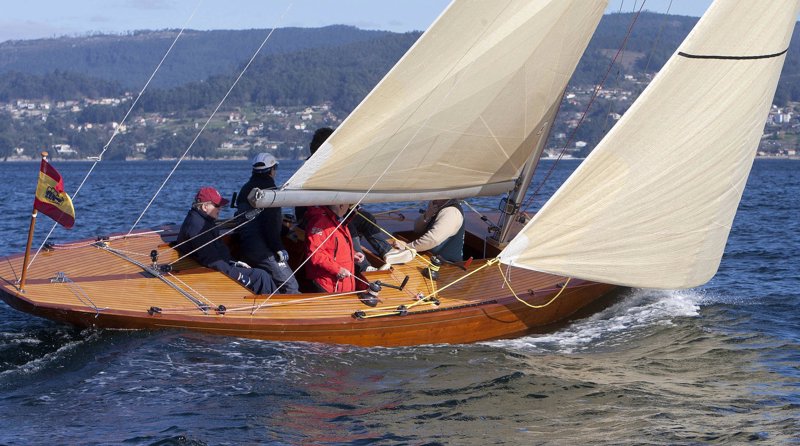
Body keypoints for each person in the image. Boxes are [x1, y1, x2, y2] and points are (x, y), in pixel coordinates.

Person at [296, 127, 392, 268]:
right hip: (312, 218)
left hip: (333, 213)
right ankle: (364, 267)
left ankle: (387, 251)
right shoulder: (311, 169)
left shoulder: (330, 167)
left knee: (366, 218)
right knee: (347, 223)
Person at [177, 186, 276, 295]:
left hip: (218, 266)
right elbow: (213, 261)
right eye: (217, 206)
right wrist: (239, 276)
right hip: (208, 273)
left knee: (260, 274)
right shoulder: (198, 228)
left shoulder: (203, 220)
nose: (220, 209)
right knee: (261, 277)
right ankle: (276, 303)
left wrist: (235, 263)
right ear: (205, 207)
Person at [235, 153, 300, 294]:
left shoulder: (245, 189)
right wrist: (278, 247)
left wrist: (285, 231)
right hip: (264, 251)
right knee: (291, 286)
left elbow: (257, 220)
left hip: (246, 247)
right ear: (272, 170)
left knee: (265, 283)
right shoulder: (270, 191)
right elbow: (269, 224)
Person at [304, 203, 363, 293]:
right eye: (349, 205)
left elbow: (336, 246)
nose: (349, 208)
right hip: (329, 284)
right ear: (341, 205)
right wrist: (337, 270)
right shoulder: (321, 222)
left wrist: (352, 254)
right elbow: (315, 254)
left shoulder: (338, 221)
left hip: (343, 282)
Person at [394, 199, 465, 263]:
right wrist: (428, 214)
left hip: (446, 266)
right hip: (428, 256)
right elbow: (417, 229)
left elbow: (433, 239)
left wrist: (407, 247)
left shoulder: (451, 212)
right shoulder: (437, 205)